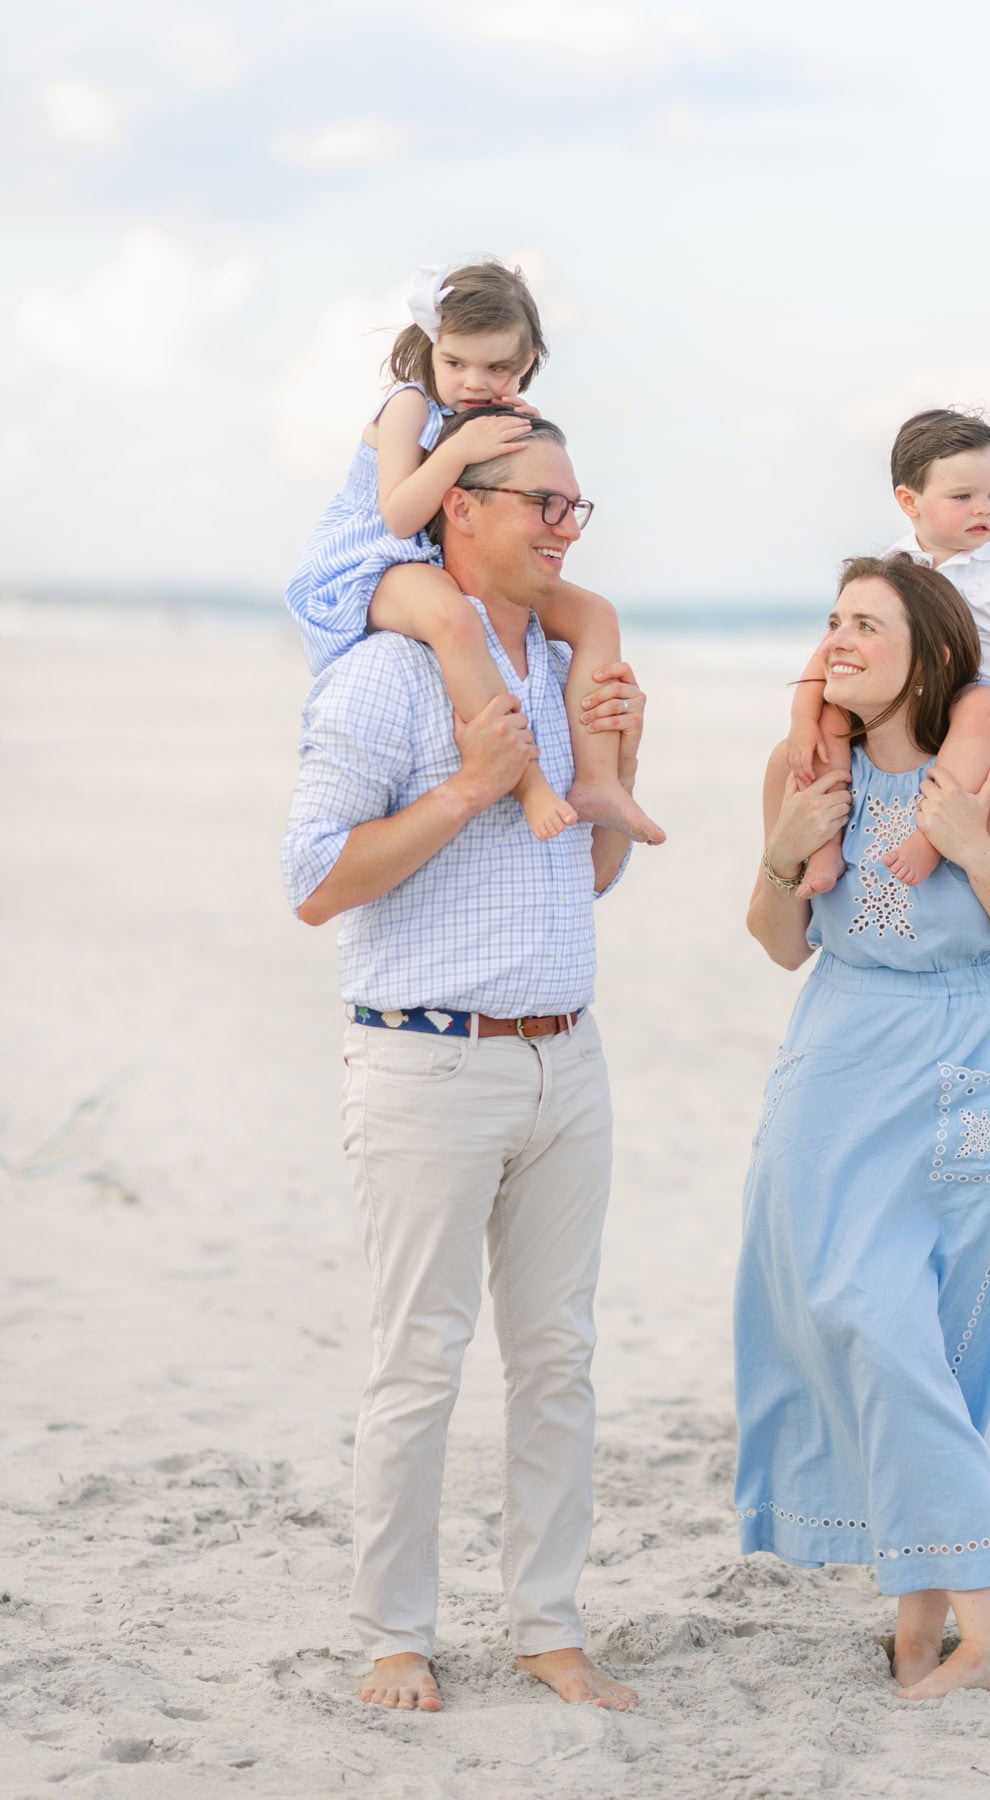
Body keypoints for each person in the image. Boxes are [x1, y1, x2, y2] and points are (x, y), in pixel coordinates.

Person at [282, 412, 643, 1715]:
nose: (563, 527)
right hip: (427, 1068)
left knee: (557, 1358)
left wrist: (614, 769)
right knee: (418, 1363)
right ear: (459, 511)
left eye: (574, 508)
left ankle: (547, 1629)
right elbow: (311, 882)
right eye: (542, 502)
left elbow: (586, 877)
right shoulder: (384, 677)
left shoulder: (555, 670)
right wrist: (461, 792)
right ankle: (394, 1638)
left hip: (566, 1063)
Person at [734, 553, 990, 1701]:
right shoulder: (801, 772)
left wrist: (975, 849)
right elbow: (784, 941)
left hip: (965, 1066)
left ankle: (989, 1639)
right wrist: (787, 845)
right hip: (834, 1062)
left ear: (932, 655)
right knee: (844, 1316)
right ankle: (919, 1627)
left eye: (868, 624)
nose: (839, 640)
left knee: (914, 1337)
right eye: (832, 618)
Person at [285, 257, 663, 847]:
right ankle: (528, 781)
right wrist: (462, 452)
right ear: (431, 346)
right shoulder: (409, 405)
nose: (471, 382)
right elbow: (399, 515)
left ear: (525, 364)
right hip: (364, 564)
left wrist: (507, 438)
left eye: (495, 368)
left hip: (421, 558)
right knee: (453, 618)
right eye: (454, 362)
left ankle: (597, 779)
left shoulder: (485, 414)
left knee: (596, 615)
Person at [788, 409, 990, 897]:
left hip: (985, 692)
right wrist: (802, 720)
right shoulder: (895, 568)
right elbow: (832, 650)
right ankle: (825, 847)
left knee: (983, 706)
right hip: (913, 691)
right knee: (835, 710)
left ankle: (931, 839)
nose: (984, 509)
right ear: (909, 501)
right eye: (963, 497)